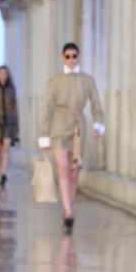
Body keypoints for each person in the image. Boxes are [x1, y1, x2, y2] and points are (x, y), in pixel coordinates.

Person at [37, 43, 103, 232]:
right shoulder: (54, 81)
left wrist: (98, 125)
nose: (71, 60)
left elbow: (96, 105)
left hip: (78, 129)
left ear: (78, 57)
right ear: (62, 57)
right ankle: (67, 212)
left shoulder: (87, 80)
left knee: (74, 173)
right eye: (67, 56)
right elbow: (47, 109)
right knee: (64, 169)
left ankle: (69, 207)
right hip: (59, 127)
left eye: (74, 56)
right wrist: (44, 136)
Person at [0, 65, 18, 188]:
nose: (2, 76)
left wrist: (17, 128)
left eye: (4, 74)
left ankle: (3, 173)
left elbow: (14, 108)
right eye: (0, 74)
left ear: (7, 75)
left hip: (9, 123)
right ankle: (1, 169)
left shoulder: (11, 89)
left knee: (6, 148)